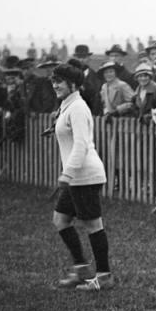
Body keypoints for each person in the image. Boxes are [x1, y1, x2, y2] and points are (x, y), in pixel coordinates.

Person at [49, 64, 114, 291]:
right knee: (60, 219)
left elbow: (81, 144)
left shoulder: (77, 107)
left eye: (60, 81)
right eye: (53, 80)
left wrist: (67, 173)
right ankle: (82, 269)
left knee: (93, 224)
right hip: (76, 176)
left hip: (84, 174)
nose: (55, 85)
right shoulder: (68, 106)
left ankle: (104, 275)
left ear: (74, 84)